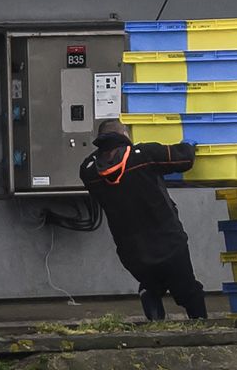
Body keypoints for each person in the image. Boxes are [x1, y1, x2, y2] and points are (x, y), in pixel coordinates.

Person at [80, 118, 208, 320]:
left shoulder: (88, 171)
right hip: (169, 242)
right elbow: (183, 160)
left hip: (131, 250)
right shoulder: (144, 156)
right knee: (187, 290)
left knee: (151, 285)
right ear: (125, 135)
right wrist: (189, 146)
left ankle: (154, 321)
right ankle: (202, 329)